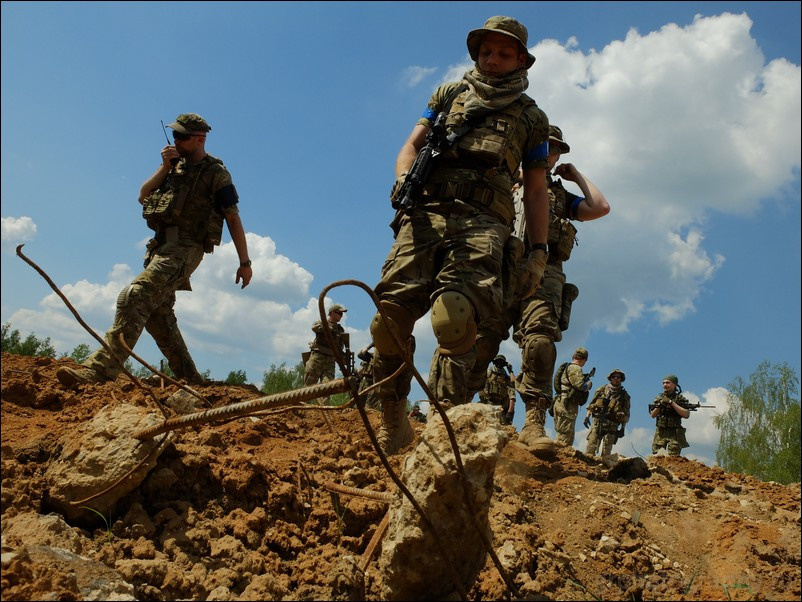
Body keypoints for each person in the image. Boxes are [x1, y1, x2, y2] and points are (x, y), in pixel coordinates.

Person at [369, 15, 551, 455]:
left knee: (453, 319)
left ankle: (447, 418)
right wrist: (401, 178)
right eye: (486, 50)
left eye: (504, 52)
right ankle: (392, 414)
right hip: (426, 210)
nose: (492, 59)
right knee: (387, 319)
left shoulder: (531, 117)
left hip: (484, 221)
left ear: (522, 60)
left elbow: (537, 187)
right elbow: (411, 145)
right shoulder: (449, 94)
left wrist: (538, 251)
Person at [57, 113, 252, 388]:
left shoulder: (216, 174)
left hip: (186, 248)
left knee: (134, 296)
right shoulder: (174, 168)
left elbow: (232, 217)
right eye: (174, 134)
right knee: (159, 316)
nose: (175, 140)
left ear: (199, 139)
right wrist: (164, 168)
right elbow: (143, 195)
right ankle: (191, 380)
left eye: (182, 136)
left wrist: (245, 262)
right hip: (161, 247)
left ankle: (100, 372)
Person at [513, 125, 610, 455]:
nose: (550, 152)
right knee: (469, 334)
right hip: (494, 266)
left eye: (556, 149)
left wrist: (577, 176)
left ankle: (533, 421)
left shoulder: (559, 195)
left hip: (545, 272)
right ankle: (451, 413)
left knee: (540, 341)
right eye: (545, 146)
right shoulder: (503, 178)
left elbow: (600, 207)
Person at [552, 347, 593, 446]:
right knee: (564, 436)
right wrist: (588, 385)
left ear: (573, 356)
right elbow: (579, 385)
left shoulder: (568, 367)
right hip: (567, 404)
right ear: (584, 359)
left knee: (565, 433)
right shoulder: (575, 368)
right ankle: (559, 458)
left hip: (561, 401)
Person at [584, 369, 630, 456]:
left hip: (612, 425)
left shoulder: (624, 396)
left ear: (621, 379)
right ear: (610, 378)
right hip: (598, 422)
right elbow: (591, 405)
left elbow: (626, 414)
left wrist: (623, 428)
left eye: (618, 377)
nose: (616, 379)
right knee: (590, 448)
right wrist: (587, 417)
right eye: (614, 377)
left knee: (606, 453)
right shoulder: (601, 390)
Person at [304, 304, 349, 388]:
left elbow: (339, 347)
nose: (341, 316)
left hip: (330, 362)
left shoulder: (340, 330)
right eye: (340, 313)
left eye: (342, 314)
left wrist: (343, 357)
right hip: (317, 359)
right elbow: (314, 327)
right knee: (307, 389)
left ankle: (324, 402)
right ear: (332, 313)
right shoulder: (322, 323)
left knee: (327, 389)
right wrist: (329, 328)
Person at [649, 374, 692, 456]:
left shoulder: (680, 399)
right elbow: (653, 415)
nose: (665, 385)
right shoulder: (659, 398)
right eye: (663, 383)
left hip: (674, 433)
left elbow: (686, 414)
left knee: (674, 457)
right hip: (661, 432)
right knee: (657, 456)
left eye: (668, 383)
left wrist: (671, 403)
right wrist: (661, 404)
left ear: (675, 385)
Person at [478, 355, 517, 425]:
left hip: (499, 406)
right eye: (497, 362)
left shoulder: (505, 377)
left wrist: (510, 370)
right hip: (486, 402)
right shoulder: (489, 372)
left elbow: (514, 384)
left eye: (501, 363)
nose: (499, 364)